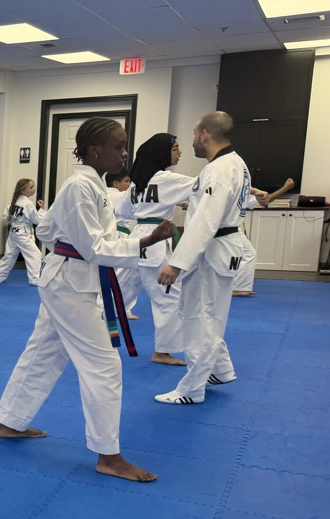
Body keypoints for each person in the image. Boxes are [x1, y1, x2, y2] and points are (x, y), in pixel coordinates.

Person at [0, 118, 174, 482]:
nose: (124, 153)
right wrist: (144, 241)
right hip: (69, 284)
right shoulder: (80, 187)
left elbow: (46, 228)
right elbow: (93, 248)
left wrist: (70, 240)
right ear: (95, 150)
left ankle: (10, 422)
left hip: (66, 279)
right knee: (104, 366)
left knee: (43, 352)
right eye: (119, 146)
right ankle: (108, 456)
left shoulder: (93, 186)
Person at [155, 112, 251, 405]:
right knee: (210, 315)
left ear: (206, 134)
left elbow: (205, 221)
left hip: (213, 248)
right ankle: (221, 370)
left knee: (199, 318)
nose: (193, 141)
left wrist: (176, 262)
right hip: (223, 246)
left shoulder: (220, 169)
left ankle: (191, 389)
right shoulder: (235, 164)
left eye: (195, 134)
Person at [125, 133, 197, 365]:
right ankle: (162, 351)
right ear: (162, 153)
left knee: (122, 290)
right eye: (175, 148)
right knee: (168, 298)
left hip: (137, 238)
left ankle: (93, 331)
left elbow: (125, 211)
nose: (180, 152)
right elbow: (207, 186)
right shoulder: (165, 178)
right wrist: (252, 192)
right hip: (155, 241)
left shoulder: (138, 182)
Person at [235, 177, 295, 296]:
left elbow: (266, 199)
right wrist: (285, 188)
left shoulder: (245, 191)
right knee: (247, 254)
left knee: (244, 254)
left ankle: (238, 286)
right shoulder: (237, 187)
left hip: (230, 228)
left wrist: (285, 189)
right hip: (224, 228)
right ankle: (238, 287)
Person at [0, 178, 45, 284]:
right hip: (23, 234)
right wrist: (42, 210)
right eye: (31, 187)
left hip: (13, 232)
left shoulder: (13, 202)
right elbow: (37, 220)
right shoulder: (28, 203)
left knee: (9, 255)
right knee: (35, 254)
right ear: (23, 190)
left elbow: (6, 217)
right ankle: (35, 279)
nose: (33, 189)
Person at [105, 166, 141, 321]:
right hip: (117, 237)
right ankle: (115, 308)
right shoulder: (114, 196)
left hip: (117, 237)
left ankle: (119, 308)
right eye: (127, 181)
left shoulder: (107, 194)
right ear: (115, 183)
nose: (129, 184)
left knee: (122, 274)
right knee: (122, 275)